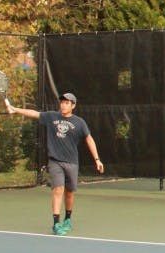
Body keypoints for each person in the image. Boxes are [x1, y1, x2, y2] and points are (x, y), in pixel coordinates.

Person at [6, 92, 104, 235]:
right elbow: (34, 113)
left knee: (69, 193)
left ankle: (68, 219)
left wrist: (97, 159)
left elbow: (89, 139)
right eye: (62, 102)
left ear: (73, 106)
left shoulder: (79, 122)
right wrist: (15, 109)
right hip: (55, 161)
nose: (63, 105)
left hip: (72, 162)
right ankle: (56, 223)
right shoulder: (52, 117)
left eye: (66, 103)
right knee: (58, 189)